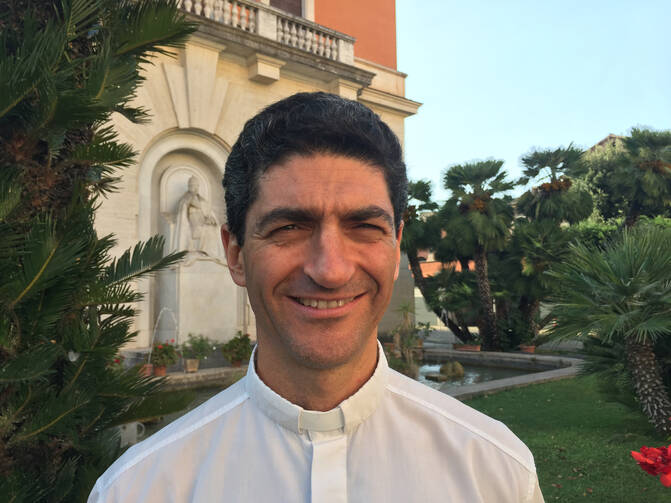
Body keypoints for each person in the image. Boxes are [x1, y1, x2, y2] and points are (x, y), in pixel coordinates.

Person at [89, 92, 544, 502]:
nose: (330, 270)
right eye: (289, 228)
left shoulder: (497, 474)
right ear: (236, 254)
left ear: (396, 245)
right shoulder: (137, 489)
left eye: (364, 227)